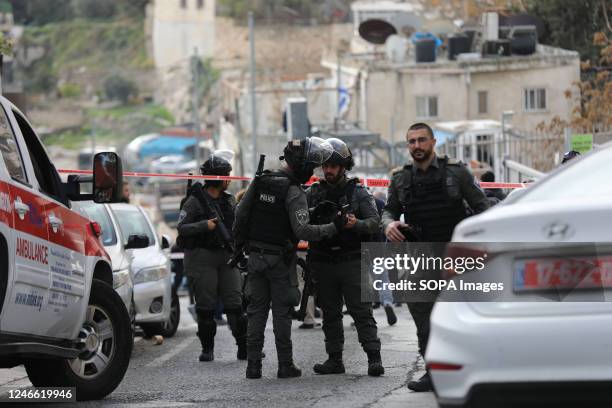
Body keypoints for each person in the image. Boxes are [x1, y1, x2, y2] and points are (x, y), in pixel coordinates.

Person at [382, 123, 489, 392]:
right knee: (423, 316)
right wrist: (389, 225)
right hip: (421, 256)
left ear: (433, 142)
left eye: (421, 140)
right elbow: (388, 211)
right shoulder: (400, 178)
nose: (416, 146)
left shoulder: (456, 172)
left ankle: (474, 368)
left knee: (464, 314)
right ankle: (433, 372)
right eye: (411, 142)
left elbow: (481, 207)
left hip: (455, 255)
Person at [233, 137, 340, 380]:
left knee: (256, 312)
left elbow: (240, 214)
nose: (312, 171)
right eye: (311, 166)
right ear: (301, 165)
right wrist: (333, 227)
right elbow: (302, 231)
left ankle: (253, 367)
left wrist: (239, 247)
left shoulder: (261, 181)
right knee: (281, 312)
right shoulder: (293, 190)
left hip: (255, 258)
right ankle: (285, 365)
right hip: (280, 262)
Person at [306, 138, 385, 377]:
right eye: (325, 166)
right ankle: (334, 359)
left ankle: (374, 358)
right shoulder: (313, 192)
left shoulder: (358, 192)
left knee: (361, 312)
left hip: (352, 260)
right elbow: (300, 221)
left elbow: (375, 222)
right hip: (323, 261)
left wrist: (355, 223)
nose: (327, 170)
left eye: (332, 166)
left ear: (343, 166)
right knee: (330, 313)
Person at [177, 150, 247, 362]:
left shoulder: (228, 200)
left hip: (227, 256)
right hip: (202, 257)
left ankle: (243, 347)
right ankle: (207, 349)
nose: (229, 180)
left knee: (235, 305)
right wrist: (204, 226)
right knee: (206, 307)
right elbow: (182, 228)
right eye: (226, 175)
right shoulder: (195, 201)